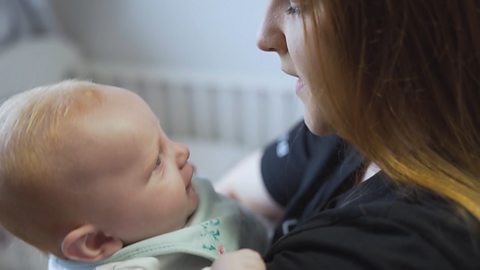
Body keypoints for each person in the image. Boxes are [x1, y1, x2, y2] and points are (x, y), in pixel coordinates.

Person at [211, 1, 480, 269]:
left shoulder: (402, 247)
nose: (264, 39)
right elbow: (227, 196)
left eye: (295, 6)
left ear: (393, 24)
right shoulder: (358, 118)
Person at [0, 80, 268, 270]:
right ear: (97, 241)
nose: (182, 152)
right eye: (156, 163)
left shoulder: (162, 212)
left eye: (165, 137)